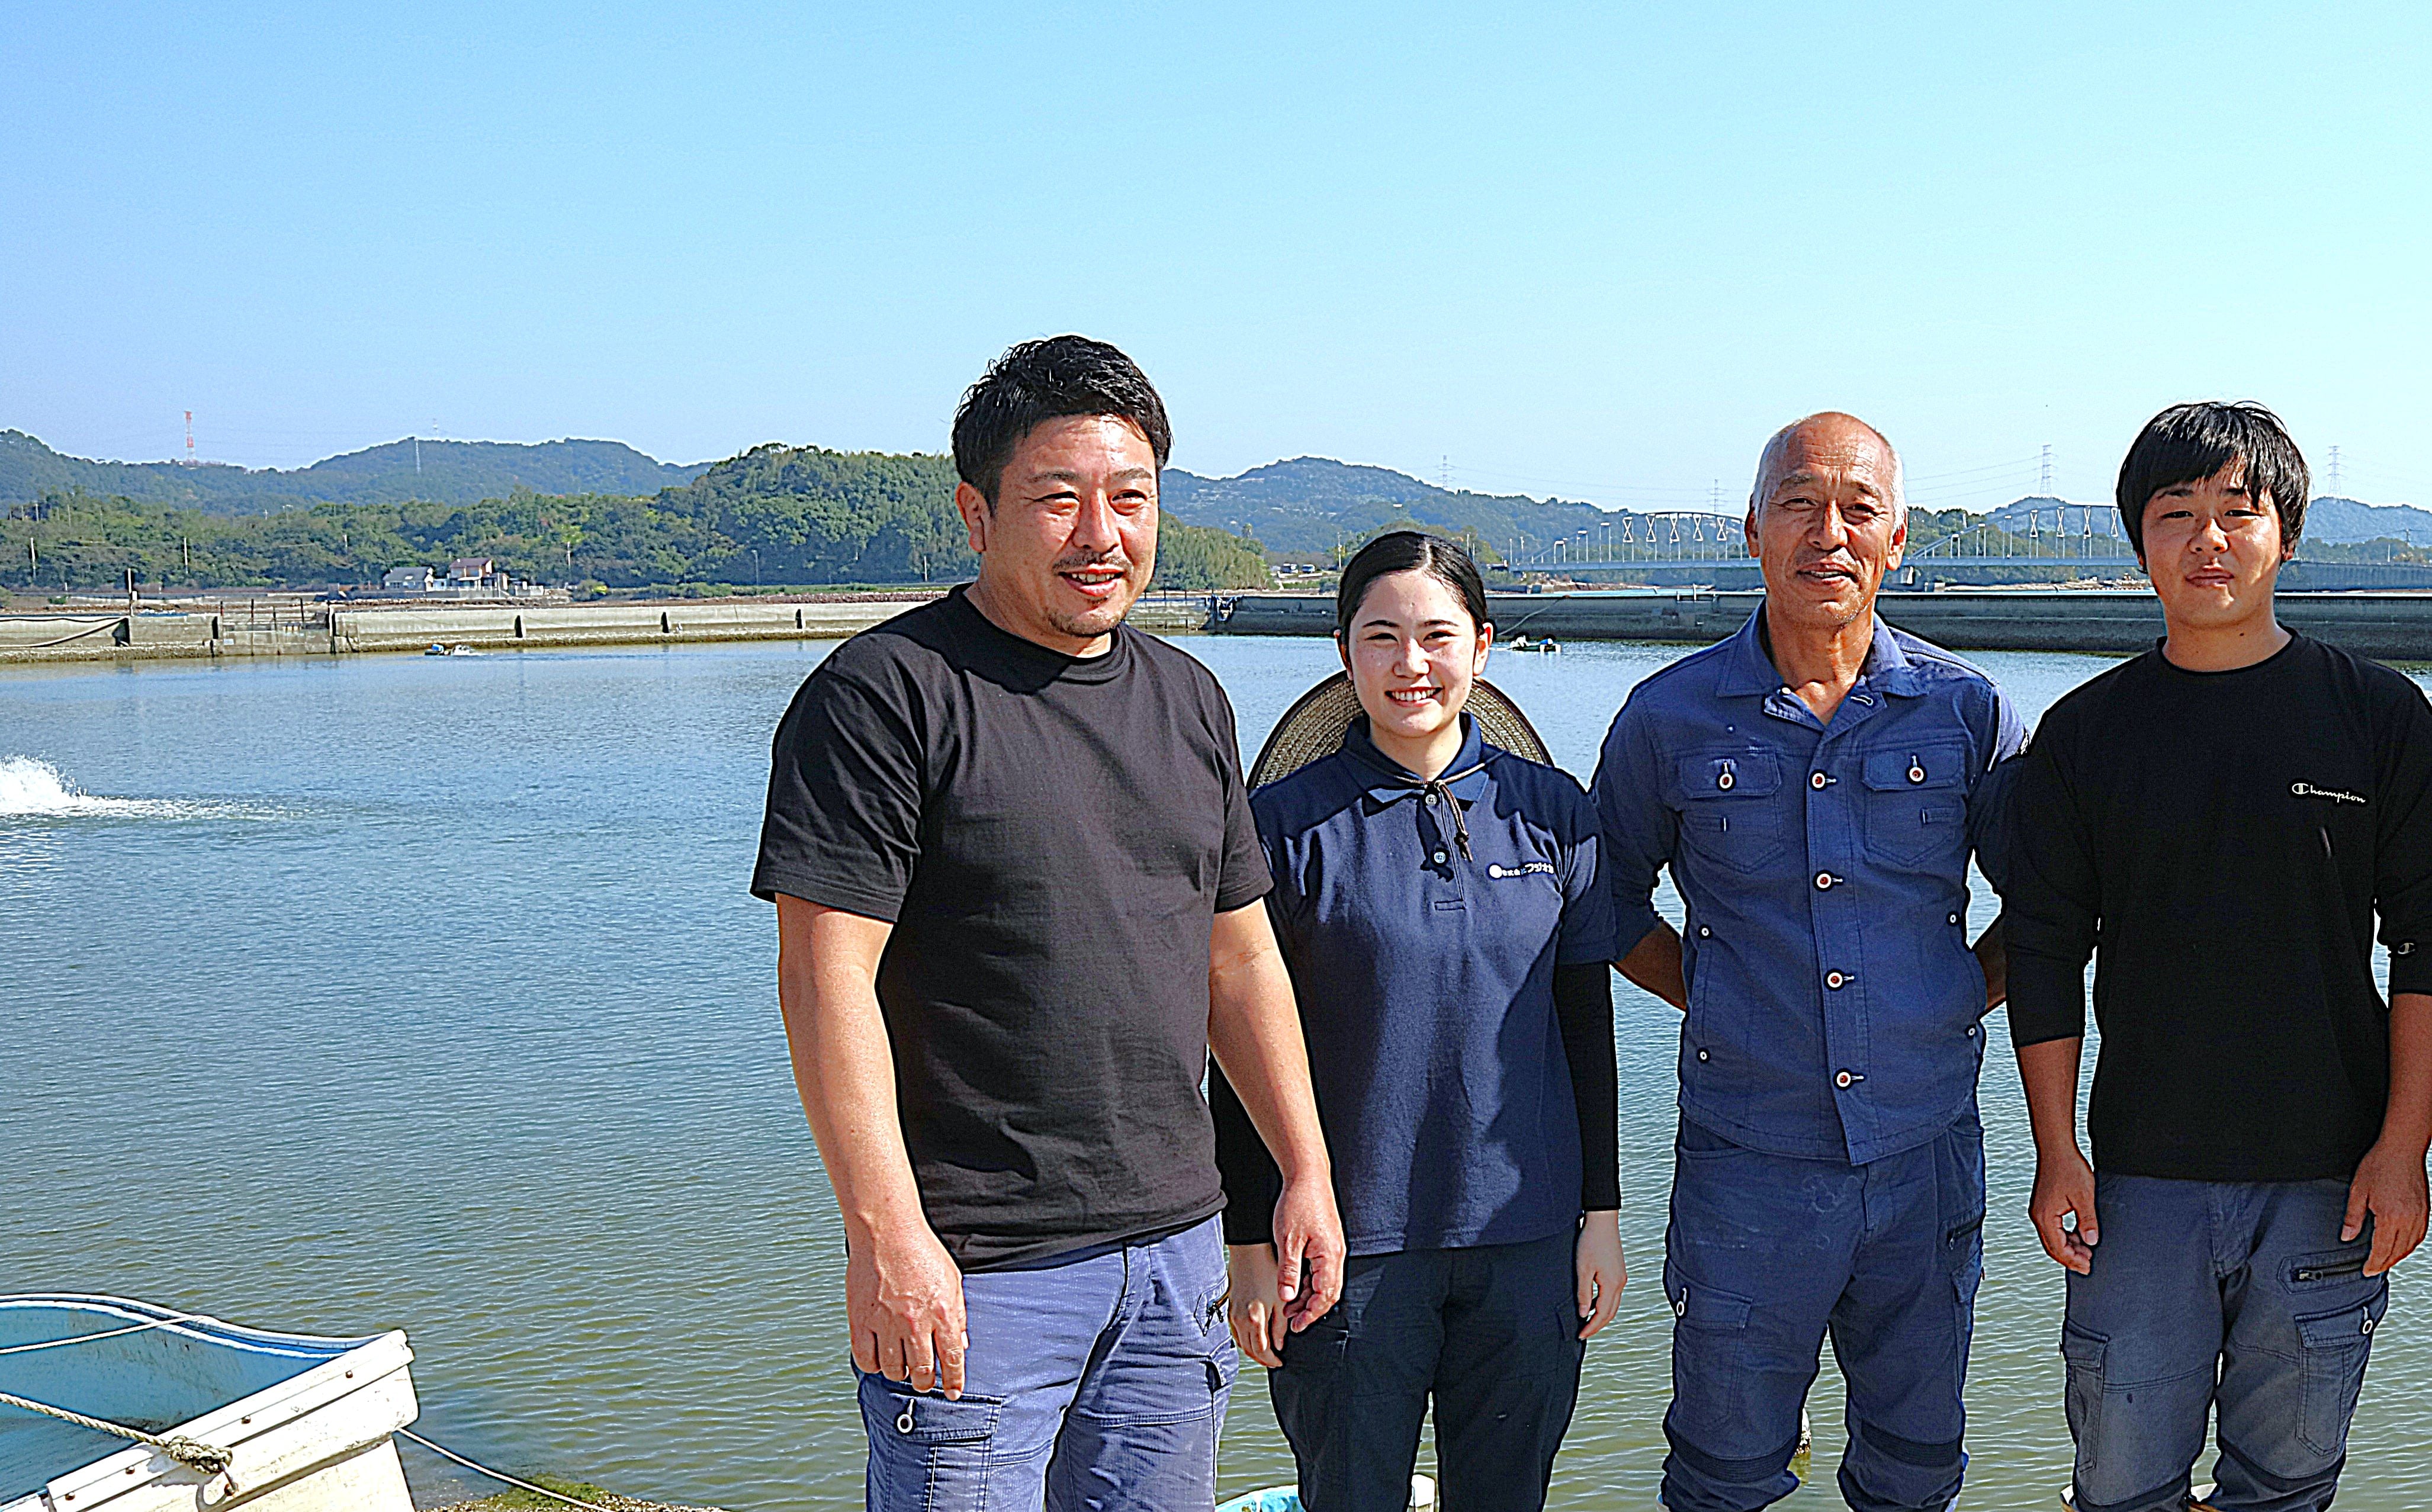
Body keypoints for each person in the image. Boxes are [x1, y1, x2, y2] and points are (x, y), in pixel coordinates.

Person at [751, 335, 1346, 1512]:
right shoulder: (885, 694)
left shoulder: (1187, 697)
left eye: (1130, 498)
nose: (1099, 532)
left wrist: (1302, 1166)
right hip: (977, 1265)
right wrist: (886, 1235)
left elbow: (1237, 957)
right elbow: (825, 982)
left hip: (1174, 1256)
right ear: (975, 512)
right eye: (1057, 498)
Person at [2000, 401, 2432, 1512]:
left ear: (2284, 531)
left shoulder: (2378, 717)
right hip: (2139, 1180)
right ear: (2138, 541)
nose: (2208, 539)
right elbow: (2046, 953)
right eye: (2174, 513)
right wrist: (2057, 1151)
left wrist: (2404, 1147)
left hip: (2330, 1177)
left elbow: (2427, 943)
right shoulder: (2088, 733)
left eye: (2237, 512)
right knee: (2120, 1481)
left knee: (2287, 1483)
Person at [1591, 413, 2023, 1512]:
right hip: (1749, 1163)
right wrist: (1714, 993)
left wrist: (1950, 997)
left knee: (1914, 1465)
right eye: (1797, 502)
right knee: (1724, 1473)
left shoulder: (1964, 710)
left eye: (1857, 507)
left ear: (1897, 538)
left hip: (1925, 1158)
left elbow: (2054, 907)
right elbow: (1601, 902)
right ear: (1752, 528)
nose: (1827, 531)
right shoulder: (1669, 716)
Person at [1211, 531, 1624, 1512]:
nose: (1412, 665)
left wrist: (1599, 1216)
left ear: (1481, 648)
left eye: (1437, 636)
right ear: (1345, 652)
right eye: (1382, 636)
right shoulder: (1280, 828)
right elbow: (1232, 1047)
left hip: (1526, 1244)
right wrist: (1246, 1242)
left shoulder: (1554, 815)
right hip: (1344, 1250)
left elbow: (1585, 1030)